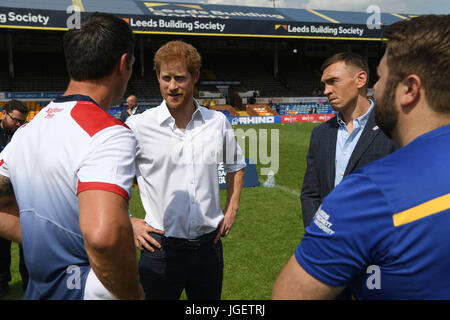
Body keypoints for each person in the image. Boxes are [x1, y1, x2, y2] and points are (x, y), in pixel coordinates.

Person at [273, 14, 450, 300]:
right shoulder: (321, 134)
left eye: (382, 77)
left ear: (410, 89)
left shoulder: (369, 192)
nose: (378, 88)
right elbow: (310, 192)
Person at [0, 12, 144, 300]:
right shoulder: (108, 132)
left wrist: (46, 246)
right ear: (123, 64)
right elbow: (105, 238)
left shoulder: (27, 131)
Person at [126, 40, 246, 300]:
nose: (172, 86)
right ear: (157, 77)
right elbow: (109, 179)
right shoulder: (138, 126)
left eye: (180, 78)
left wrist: (232, 207)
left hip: (208, 247)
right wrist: (129, 221)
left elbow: (236, 165)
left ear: (195, 77)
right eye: (166, 78)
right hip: (159, 248)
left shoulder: (217, 123)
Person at [300, 52, 398, 229]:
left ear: (360, 79)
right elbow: (310, 194)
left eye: (333, 81)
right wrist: (316, 235)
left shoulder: (392, 129)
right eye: (324, 84)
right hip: (328, 247)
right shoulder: (320, 134)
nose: (326, 91)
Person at [0, 99, 29, 299]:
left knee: (27, 243)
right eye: (15, 120)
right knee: (1, 246)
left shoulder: (25, 137)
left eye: (22, 121)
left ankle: (30, 283)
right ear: (3, 114)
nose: (18, 124)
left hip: (24, 196)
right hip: (2, 199)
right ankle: (2, 283)